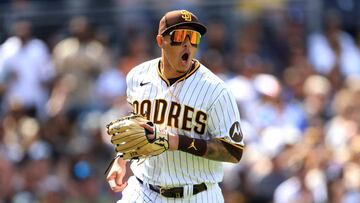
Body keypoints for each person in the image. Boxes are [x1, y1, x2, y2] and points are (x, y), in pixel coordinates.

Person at [106, 10, 245, 202]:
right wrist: (121, 158)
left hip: (197, 194)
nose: (187, 43)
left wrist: (177, 141)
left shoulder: (216, 90)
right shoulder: (137, 76)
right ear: (160, 41)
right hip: (143, 190)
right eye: (180, 36)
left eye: (193, 37)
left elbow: (233, 151)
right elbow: (138, 126)